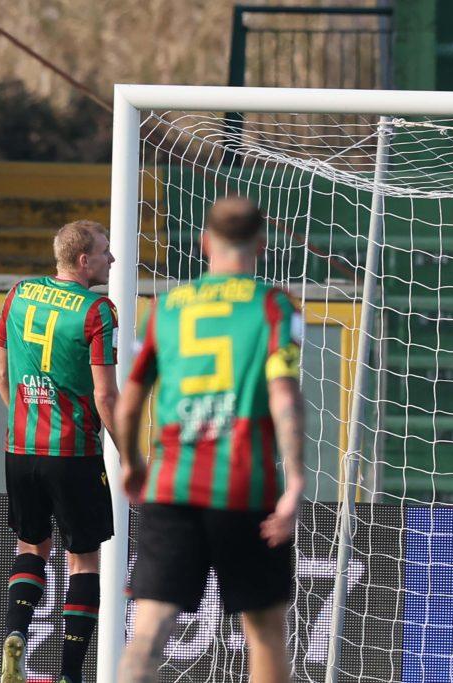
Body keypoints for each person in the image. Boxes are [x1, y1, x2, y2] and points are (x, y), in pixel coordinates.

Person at [115, 197, 305, 683]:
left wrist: (133, 463)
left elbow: (131, 398)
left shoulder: (164, 307)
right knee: (263, 631)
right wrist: (296, 479)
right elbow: (283, 390)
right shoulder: (273, 304)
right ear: (261, 245)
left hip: (171, 486)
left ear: (204, 244)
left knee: (149, 630)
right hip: (245, 489)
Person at [0, 220, 119, 683]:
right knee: (83, 560)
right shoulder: (97, 310)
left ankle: (16, 635)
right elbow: (106, 397)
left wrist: (25, 417)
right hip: (73, 452)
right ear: (83, 261)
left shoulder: (18, 293)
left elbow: (0, 373)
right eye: (106, 252)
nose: (112, 260)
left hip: (19, 448)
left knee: (31, 546)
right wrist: (128, 454)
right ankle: (69, 675)